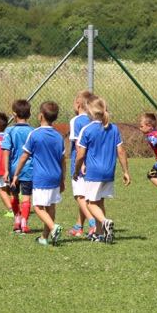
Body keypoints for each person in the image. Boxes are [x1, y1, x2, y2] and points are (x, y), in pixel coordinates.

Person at [74, 96, 131, 243]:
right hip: (109, 172)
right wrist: (125, 171)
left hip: (94, 172)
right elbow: (121, 151)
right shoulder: (113, 128)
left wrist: (76, 170)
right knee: (100, 202)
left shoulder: (87, 130)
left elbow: (80, 155)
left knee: (90, 203)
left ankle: (105, 221)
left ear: (89, 112)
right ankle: (100, 233)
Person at [13, 101, 66, 247]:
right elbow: (63, 160)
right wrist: (62, 179)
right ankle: (44, 237)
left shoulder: (35, 134)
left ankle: (53, 227)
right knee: (51, 206)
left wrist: (16, 173)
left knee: (38, 207)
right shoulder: (58, 136)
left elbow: (24, 156)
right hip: (55, 176)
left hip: (41, 178)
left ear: (40, 116)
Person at [1, 99, 34, 234]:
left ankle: (17, 221)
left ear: (14, 114)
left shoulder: (9, 131)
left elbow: (6, 151)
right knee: (26, 196)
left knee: (14, 195)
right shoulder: (33, 131)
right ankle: (24, 223)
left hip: (13, 169)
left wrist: (6, 170)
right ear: (29, 114)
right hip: (28, 169)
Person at [68, 90, 97, 237]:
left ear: (78, 104)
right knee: (85, 196)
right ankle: (78, 226)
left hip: (80, 162)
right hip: (93, 162)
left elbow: (78, 144)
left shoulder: (76, 121)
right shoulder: (93, 119)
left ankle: (93, 223)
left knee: (79, 196)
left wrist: (81, 164)